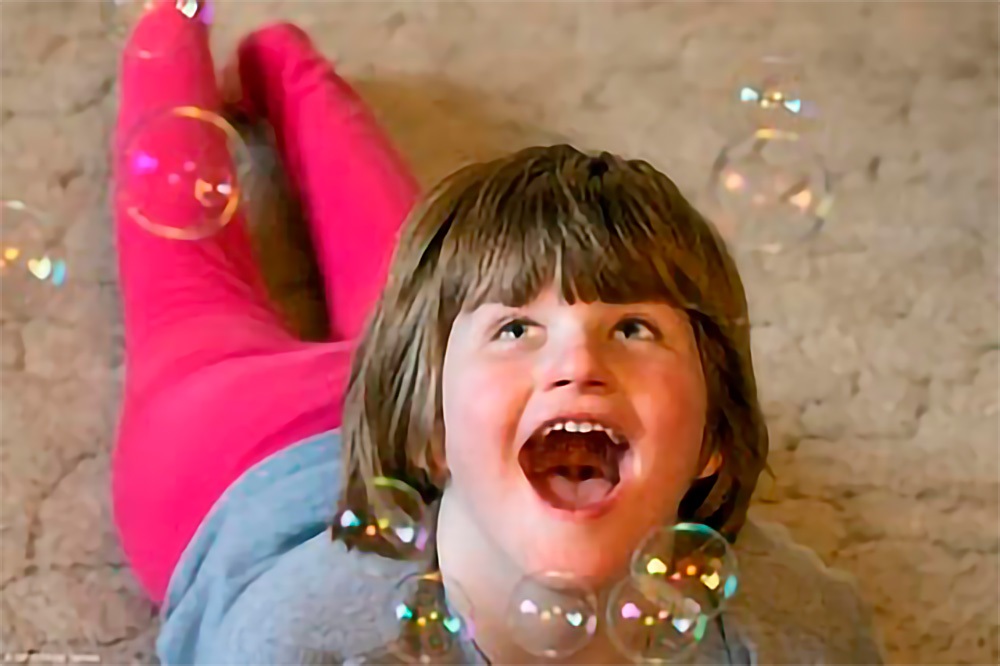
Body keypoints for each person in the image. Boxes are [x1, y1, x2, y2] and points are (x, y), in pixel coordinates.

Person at [110, 4, 885, 664]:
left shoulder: (791, 632)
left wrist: (507, 336)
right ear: (432, 435)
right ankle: (172, 28)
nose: (578, 363)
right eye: (526, 328)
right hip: (239, 448)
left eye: (634, 328)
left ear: (715, 435)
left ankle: (282, 61)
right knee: (183, 254)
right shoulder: (304, 642)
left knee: (426, 262)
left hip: (452, 383)